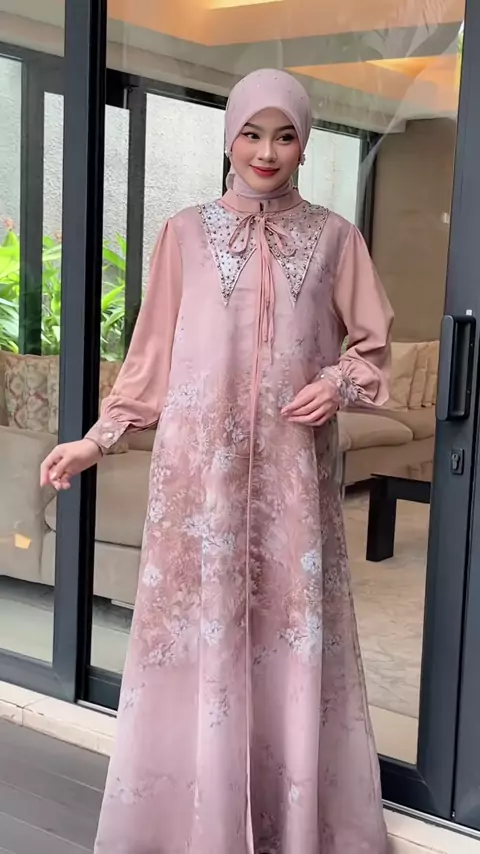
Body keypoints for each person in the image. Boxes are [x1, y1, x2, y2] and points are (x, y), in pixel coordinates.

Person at [41, 69, 393, 854]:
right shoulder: (183, 235)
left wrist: (336, 383)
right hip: (198, 485)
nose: (267, 152)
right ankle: (189, 825)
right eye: (252, 134)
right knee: (198, 644)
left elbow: (373, 347)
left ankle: (290, 823)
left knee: (287, 640)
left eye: (285, 135)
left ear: (304, 144)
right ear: (229, 138)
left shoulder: (336, 238)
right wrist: (97, 438)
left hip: (292, 485)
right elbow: (150, 361)